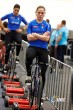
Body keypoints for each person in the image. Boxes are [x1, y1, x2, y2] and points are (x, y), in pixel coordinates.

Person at [25, 6, 51, 101]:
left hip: (43, 48)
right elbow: (29, 38)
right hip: (33, 47)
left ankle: (41, 93)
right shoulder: (31, 23)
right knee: (29, 56)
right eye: (39, 12)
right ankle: (28, 74)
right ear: (36, 12)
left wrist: (35, 34)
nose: (40, 14)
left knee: (43, 72)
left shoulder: (47, 25)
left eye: (42, 13)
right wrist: (41, 36)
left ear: (44, 14)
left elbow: (47, 39)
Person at [0, 4, 28, 70]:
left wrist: (22, 29)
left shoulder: (20, 17)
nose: (16, 12)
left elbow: (27, 24)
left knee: (19, 42)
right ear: (13, 9)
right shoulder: (9, 15)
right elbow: (0, 19)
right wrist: (4, 28)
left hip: (16, 32)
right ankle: (6, 64)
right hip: (9, 32)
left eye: (17, 11)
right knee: (8, 48)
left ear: (19, 11)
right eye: (15, 10)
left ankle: (17, 56)